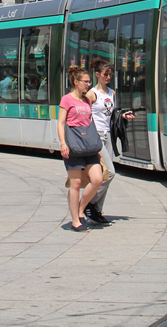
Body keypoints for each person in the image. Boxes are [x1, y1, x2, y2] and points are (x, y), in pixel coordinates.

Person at [84, 58, 135, 224]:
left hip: (109, 136)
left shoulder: (111, 93)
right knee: (110, 172)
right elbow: (84, 116)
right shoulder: (91, 94)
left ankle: (97, 210)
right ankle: (90, 203)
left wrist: (123, 115)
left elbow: (112, 114)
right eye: (105, 74)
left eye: (110, 75)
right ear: (97, 74)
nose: (108, 77)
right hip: (97, 136)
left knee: (106, 174)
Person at [58, 65, 103, 232]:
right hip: (73, 147)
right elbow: (61, 123)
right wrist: (63, 144)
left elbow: (89, 123)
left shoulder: (86, 100)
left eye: (89, 81)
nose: (88, 84)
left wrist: (93, 144)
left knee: (97, 179)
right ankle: (76, 220)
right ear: (76, 82)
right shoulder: (66, 100)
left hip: (89, 147)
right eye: (85, 81)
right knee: (75, 183)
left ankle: (80, 209)